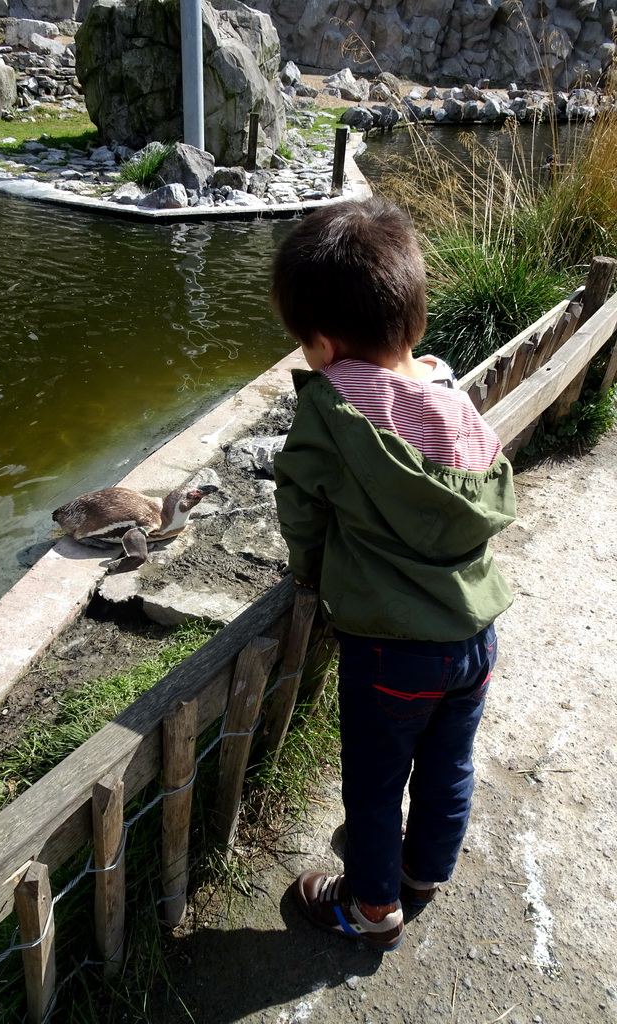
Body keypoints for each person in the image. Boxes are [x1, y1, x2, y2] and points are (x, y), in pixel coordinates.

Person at [271, 197, 517, 952]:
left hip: (390, 652)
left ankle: (372, 909)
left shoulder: (333, 410)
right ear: (411, 317)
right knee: (449, 762)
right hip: (475, 632)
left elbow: (303, 504)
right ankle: (424, 871)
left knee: (375, 784)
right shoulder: (446, 389)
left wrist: (309, 575)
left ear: (319, 343)